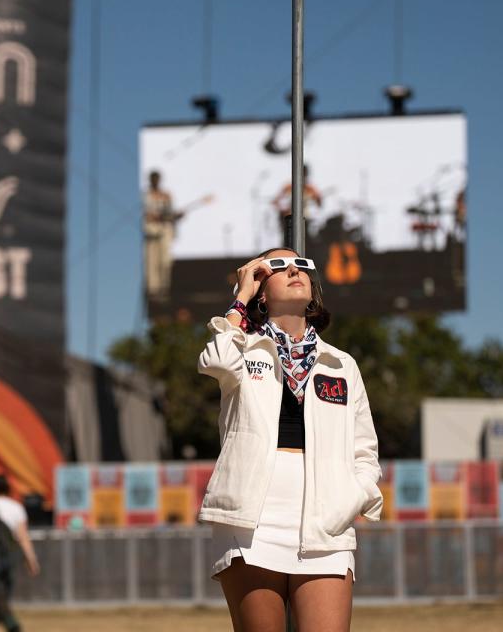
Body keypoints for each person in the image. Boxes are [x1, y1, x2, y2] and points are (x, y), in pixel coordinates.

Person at [198, 248, 382, 632]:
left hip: (326, 522)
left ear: (313, 290)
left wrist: (352, 496)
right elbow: (214, 359)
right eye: (277, 267)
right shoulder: (243, 348)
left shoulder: (341, 364)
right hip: (251, 521)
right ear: (262, 291)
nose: (294, 270)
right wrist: (240, 297)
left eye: (301, 265)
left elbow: (365, 451)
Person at [0, 474, 41, 632]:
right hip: (10, 554)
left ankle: (13, 627)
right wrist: (31, 559)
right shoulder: (16, 507)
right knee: (0, 592)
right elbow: (23, 537)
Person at [142, 170, 181, 299]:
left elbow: (171, 214)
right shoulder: (145, 195)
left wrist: (175, 216)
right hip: (151, 232)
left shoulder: (166, 195)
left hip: (164, 231)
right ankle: (153, 290)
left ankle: (164, 289)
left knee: (165, 261)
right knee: (152, 262)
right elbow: (145, 214)